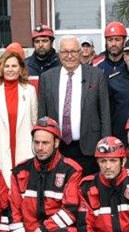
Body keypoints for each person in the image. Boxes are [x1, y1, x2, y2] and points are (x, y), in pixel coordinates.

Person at [8, 117, 83, 232]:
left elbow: (70, 212)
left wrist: (42, 230)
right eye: (37, 142)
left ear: (56, 142)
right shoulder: (20, 171)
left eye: (45, 143)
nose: (40, 147)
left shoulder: (71, 170)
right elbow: (13, 212)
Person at [36, 36, 110, 175]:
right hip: (57, 149)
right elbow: (42, 115)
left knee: (86, 191)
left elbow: (105, 114)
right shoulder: (47, 78)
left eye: (74, 52)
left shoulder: (97, 75)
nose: (69, 56)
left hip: (88, 148)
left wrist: (105, 146)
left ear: (80, 53)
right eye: (65, 52)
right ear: (58, 54)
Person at [0, 49, 38, 186]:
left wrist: (35, 151)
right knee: (3, 189)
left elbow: (34, 123)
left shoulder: (30, 91)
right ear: (0, 68)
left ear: (21, 69)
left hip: (25, 149)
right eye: (6, 66)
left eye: (14, 66)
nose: (10, 70)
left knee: (24, 188)